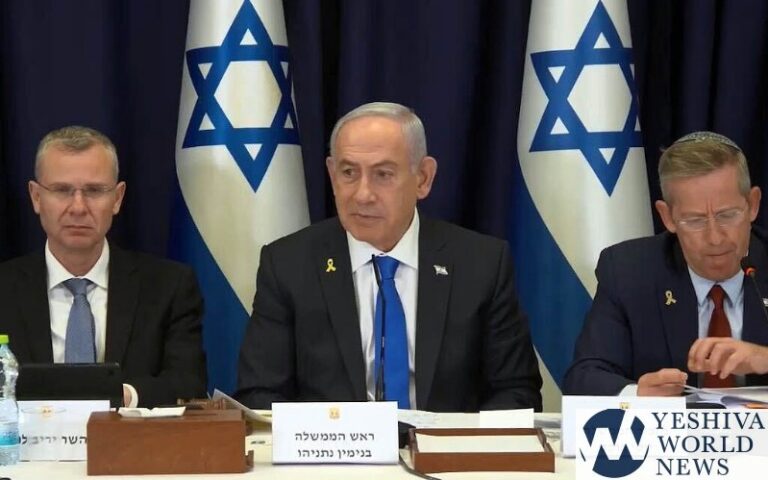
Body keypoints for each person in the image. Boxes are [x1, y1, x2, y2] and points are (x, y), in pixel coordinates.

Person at [236, 102, 542, 411]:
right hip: (332, 443)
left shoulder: (481, 263)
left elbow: (516, 392)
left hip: (445, 442)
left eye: (383, 174)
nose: (363, 194)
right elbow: (260, 394)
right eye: (348, 172)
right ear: (332, 174)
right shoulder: (288, 265)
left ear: (423, 178)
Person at [0, 126, 207, 407]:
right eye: (62, 190)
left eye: (94, 191)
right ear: (36, 197)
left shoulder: (169, 285)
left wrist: (119, 395)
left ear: (117, 198)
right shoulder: (4, 289)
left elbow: (189, 383)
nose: (78, 207)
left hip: (132, 435)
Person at [565, 131, 768, 396]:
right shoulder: (629, 270)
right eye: (695, 221)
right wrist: (636, 394)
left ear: (753, 204)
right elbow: (584, 378)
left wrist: (764, 357)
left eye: (727, 215)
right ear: (668, 217)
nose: (715, 238)